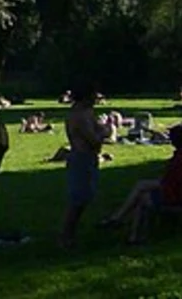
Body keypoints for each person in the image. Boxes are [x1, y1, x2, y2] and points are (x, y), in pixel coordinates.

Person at [100, 120, 182, 244]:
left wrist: (157, 188)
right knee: (142, 186)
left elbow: (171, 184)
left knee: (143, 198)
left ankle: (134, 236)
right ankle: (119, 219)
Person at [59, 83, 105, 248]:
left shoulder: (87, 112)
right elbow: (93, 139)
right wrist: (104, 132)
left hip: (89, 157)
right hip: (81, 158)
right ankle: (66, 236)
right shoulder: (78, 115)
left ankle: (70, 234)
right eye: (94, 95)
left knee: (86, 196)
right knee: (78, 199)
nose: (97, 98)